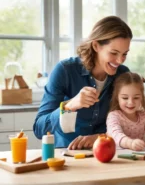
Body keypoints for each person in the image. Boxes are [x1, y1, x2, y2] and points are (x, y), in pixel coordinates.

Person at [33, 16, 133, 150]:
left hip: (108, 154)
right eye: (114, 53)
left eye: (124, 54)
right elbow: (39, 129)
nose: (120, 60)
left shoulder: (122, 75)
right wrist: (70, 106)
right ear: (96, 45)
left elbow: (130, 126)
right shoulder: (65, 71)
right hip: (67, 155)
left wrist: (99, 138)